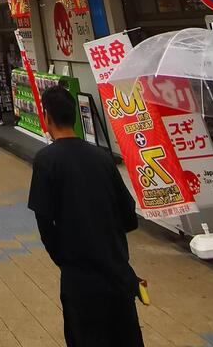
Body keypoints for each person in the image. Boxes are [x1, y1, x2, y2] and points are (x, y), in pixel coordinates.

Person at [28, 84, 142, 347]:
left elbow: (44, 223)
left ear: (47, 117)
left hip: (80, 281)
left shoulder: (46, 160)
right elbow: (128, 215)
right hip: (118, 273)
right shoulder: (102, 157)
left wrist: (66, 258)